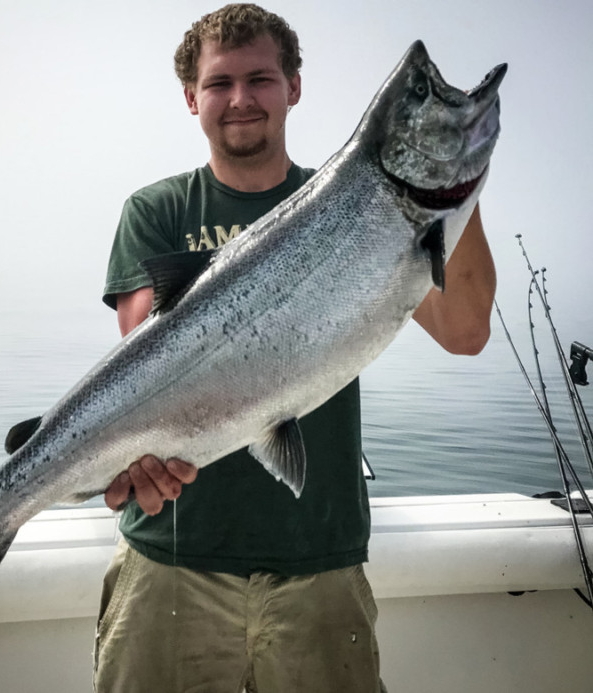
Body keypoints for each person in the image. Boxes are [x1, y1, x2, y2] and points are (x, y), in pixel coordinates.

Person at [93, 4, 496, 692]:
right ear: (192, 97)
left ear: (294, 87)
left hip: (320, 558)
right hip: (171, 558)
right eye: (220, 83)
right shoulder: (158, 210)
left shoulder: (358, 203)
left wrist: (452, 194)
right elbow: (144, 358)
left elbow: (465, 331)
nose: (241, 99)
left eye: (261, 78)